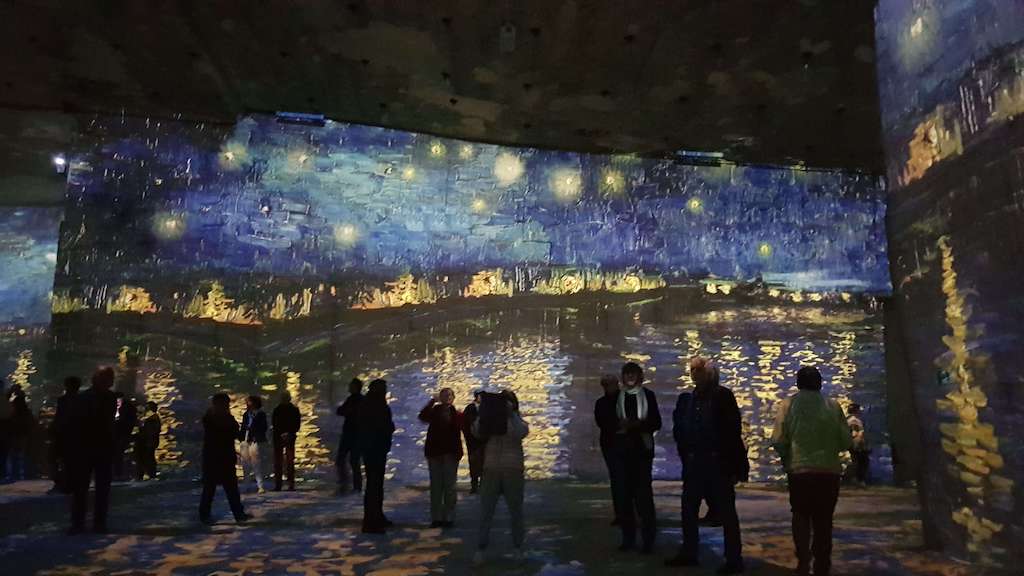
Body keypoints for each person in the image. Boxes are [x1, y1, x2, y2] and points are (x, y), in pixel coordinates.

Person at [666, 358, 747, 574]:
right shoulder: (691, 398)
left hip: (717, 461)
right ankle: (691, 552)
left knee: (726, 511)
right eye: (692, 369)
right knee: (689, 508)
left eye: (698, 370)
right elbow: (683, 428)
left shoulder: (720, 396)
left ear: (709, 373)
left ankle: (733, 558)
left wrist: (734, 465)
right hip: (697, 461)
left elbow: (732, 432)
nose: (694, 373)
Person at [771, 366, 853, 576]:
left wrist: (786, 458)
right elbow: (845, 441)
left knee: (800, 516)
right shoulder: (833, 406)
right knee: (824, 519)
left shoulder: (788, 405)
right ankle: (822, 563)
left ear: (798, 383)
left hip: (799, 470)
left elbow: (778, 439)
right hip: (829, 472)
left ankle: (803, 561)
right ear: (820, 383)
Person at [473, 390, 530, 565]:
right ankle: (481, 548)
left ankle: (518, 547)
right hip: (491, 468)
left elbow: (522, 432)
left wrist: (511, 414)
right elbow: (476, 432)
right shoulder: (490, 420)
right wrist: (484, 412)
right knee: (486, 512)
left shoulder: (516, 421)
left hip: (512, 469)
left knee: (516, 512)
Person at [611, 362, 662, 554]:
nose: (630, 377)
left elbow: (656, 422)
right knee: (624, 499)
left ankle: (648, 540)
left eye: (633, 374)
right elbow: (609, 422)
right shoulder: (617, 397)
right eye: (627, 374)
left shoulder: (648, 396)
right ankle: (628, 539)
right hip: (623, 454)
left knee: (643, 498)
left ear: (640, 376)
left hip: (642, 453)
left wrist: (635, 426)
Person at [67, 367, 118, 534]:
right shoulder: (109, 398)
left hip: (88, 447)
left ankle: (80, 523)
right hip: (96, 447)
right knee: (97, 488)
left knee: (83, 488)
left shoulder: (85, 398)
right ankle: (95, 523)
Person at [199, 393, 248, 525]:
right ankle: (237, 514)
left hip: (217, 457)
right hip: (218, 457)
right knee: (218, 488)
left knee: (219, 488)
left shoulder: (213, 418)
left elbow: (234, 433)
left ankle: (236, 513)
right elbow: (233, 433)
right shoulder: (217, 419)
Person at [419, 387, 463, 528]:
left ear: (453, 397)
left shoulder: (456, 414)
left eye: (450, 395)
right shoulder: (434, 412)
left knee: (449, 486)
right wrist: (432, 401)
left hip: (450, 453)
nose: (447, 397)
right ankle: (436, 517)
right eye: (444, 395)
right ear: (440, 397)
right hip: (435, 453)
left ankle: (448, 516)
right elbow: (422, 416)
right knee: (436, 486)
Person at [358, 379, 395, 534]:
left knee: (374, 485)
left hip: (371, 449)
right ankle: (372, 521)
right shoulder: (379, 406)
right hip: (376, 449)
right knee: (375, 485)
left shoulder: (367, 404)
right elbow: (386, 426)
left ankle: (375, 517)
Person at [594, 374, 622, 526]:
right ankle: (622, 512)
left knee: (617, 479)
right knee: (618, 479)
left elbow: (601, 422)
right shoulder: (623, 400)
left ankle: (621, 513)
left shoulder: (601, 403)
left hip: (610, 443)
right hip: (613, 443)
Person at [49, 377, 81, 492]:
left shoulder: (63, 400)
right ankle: (69, 483)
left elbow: (59, 417)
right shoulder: (81, 400)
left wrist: (53, 429)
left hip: (63, 434)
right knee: (70, 461)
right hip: (74, 435)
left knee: (57, 459)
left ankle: (61, 482)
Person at [335, 378, 364, 494]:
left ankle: (347, 483)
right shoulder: (358, 400)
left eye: (351, 386)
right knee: (353, 461)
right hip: (355, 434)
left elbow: (341, 411)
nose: (349, 387)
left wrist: (347, 411)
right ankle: (354, 485)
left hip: (352, 434)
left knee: (346, 460)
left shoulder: (354, 400)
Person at [271, 391, 301, 491]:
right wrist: (289, 432)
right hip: (289, 436)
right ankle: (290, 484)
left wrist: (281, 433)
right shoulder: (294, 410)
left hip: (280, 437)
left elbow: (275, 423)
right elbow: (297, 424)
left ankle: (279, 484)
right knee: (288, 461)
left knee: (280, 461)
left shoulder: (277, 410)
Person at [238, 395, 268, 493]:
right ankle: (246, 485)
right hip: (245, 439)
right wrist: (241, 437)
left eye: (249, 402)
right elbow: (243, 426)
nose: (248, 404)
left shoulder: (261, 414)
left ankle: (260, 485)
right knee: (245, 463)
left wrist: (256, 435)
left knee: (256, 462)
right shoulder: (246, 414)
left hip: (256, 440)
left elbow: (264, 427)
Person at [7, 384, 32, 481]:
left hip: (17, 430)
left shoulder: (17, 403)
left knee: (15, 452)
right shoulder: (23, 405)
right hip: (22, 430)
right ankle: (21, 473)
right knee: (20, 452)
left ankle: (15, 473)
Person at [462, 390, 486, 494]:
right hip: (476, 441)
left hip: (476, 441)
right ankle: (476, 485)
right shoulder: (473, 408)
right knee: (477, 462)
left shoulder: (472, 408)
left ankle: (478, 485)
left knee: (477, 462)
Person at [112, 392, 137, 481]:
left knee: (120, 453)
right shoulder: (110, 407)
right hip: (113, 435)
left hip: (122, 434)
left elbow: (131, 421)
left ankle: (119, 472)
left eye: (119, 400)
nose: (117, 402)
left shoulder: (128, 408)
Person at [134, 401, 161, 481]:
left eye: (147, 408)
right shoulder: (152, 418)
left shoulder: (152, 419)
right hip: (148, 442)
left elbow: (151, 431)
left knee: (148, 458)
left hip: (148, 442)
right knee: (147, 458)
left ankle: (150, 474)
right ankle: (149, 474)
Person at [847, 404, 869, 486]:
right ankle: (858, 480)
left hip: (853, 444)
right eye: (859, 409)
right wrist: (858, 443)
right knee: (862, 462)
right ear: (856, 410)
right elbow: (856, 433)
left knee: (857, 461)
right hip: (857, 445)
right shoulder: (855, 420)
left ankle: (855, 479)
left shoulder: (848, 419)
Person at [0, 379, 11, 482]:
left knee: (3, 452)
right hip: (5, 427)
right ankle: (2, 473)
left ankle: (2, 473)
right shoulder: (5, 399)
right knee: (3, 452)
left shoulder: (4, 399)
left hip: (4, 427)